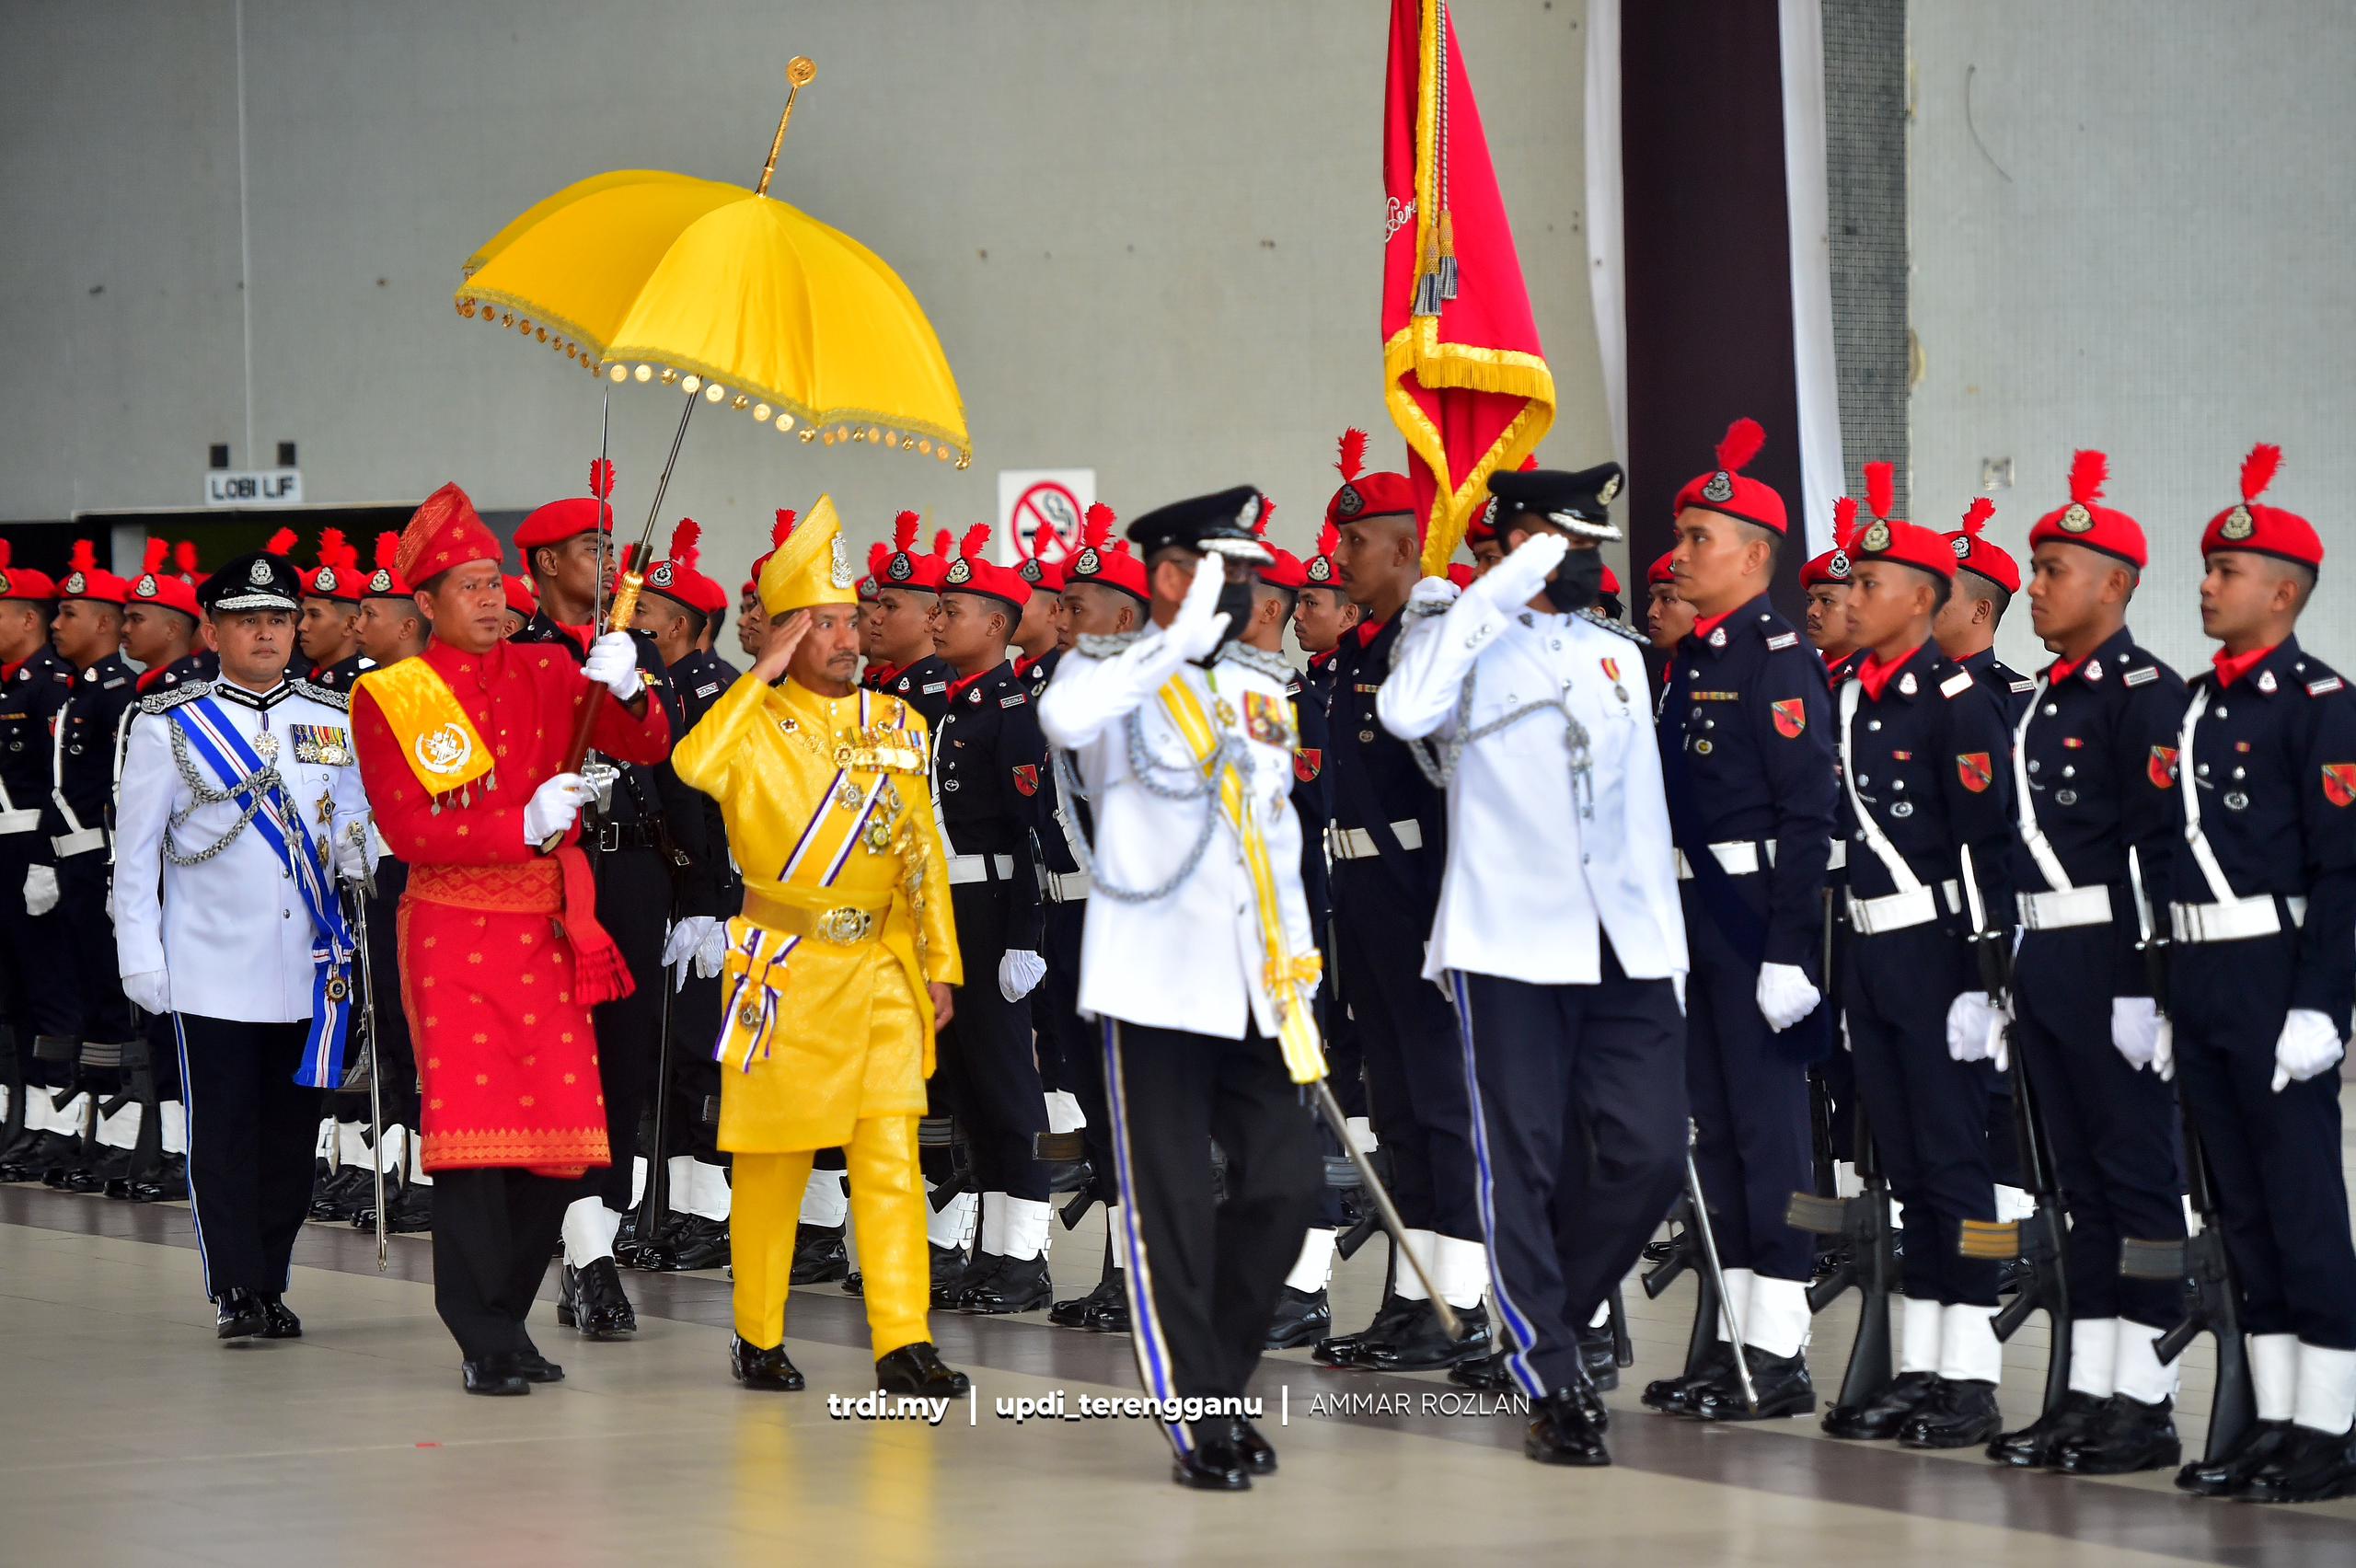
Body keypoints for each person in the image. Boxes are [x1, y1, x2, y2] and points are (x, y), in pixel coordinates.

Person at [1380, 462, 1687, 1466]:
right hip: (1509, 940)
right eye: (1565, 542)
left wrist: (1669, 953)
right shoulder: (1449, 634)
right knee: (1522, 1160)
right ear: (1509, 543)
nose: (1589, 561)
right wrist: (1497, 588)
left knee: (1644, 1154)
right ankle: (1549, 1372)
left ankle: (1541, 1305)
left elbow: (1638, 808)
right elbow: (1406, 710)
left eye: (1593, 544)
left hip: (1626, 942)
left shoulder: (1618, 657)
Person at [350, 482, 670, 1395]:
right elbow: (410, 831)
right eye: (470, 587)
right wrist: (519, 818)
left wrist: (623, 680)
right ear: (426, 603)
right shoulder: (395, 695)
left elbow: (644, 744)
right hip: (452, 931)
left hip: (546, 929)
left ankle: (511, 1313)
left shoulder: (544, 672)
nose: (491, 600)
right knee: (476, 1143)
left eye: (496, 584)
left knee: (556, 1140)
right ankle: (481, 1329)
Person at [1039, 485, 1325, 1490]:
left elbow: (1277, 841)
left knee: (1286, 1187)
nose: (1250, 593)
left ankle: (1221, 1380)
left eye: (1250, 575)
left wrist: (1297, 970)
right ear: (1168, 576)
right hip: (1152, 989)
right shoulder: (1110, 672)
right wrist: (1170, 641)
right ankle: (1199, 1417)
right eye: (1227, 572)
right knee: (1168, 1210)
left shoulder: (1258, 685)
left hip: (1254, 985)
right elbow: (1065, 718)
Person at [668, 495, 970, 1400]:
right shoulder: (748, 722)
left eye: (851, 620)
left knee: (889, 1156)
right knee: (775, 1161)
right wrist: (760, 667)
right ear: (792, 632)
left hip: (879, 969)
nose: (849, 637)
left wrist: (939, 964)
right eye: (827, 624)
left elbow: (921, 852)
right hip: (785, 968)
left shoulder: (898, 727)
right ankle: (758, 1332)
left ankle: (902, 1340)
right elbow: (690, 763)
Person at [1979, 450, 2189, 1475]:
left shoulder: (2144, 696)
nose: (2033, 583)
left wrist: (2145, 987)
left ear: (2115, 583)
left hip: (2112, 960)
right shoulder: (2039, 698)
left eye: (2054, 567)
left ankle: (2145, 1402)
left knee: (2136, 1180)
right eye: (2031, 564)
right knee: (2077, 1189)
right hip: (2046, 959)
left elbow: (2164, 847)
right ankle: (2088, 1392)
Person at [112, 548, 373, 1337]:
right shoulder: (168, 724)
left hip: (310, 969)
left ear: (298, 628)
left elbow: (358, 825)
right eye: (246, 621)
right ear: (214, 631)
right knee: (223, 1137)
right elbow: (134, 854)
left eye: (278, 620)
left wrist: (364, 851)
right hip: (210, 967)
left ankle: (272, 1278)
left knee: (293, 1143)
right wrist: (141, 956)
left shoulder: (334, 718)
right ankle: (235, 1288)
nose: (265, 634)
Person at [2165, 444, 2356, 1505]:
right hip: (2200, 979)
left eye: (2225, 571)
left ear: (2279, 593)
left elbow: (2345, 870)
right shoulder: (2195, 706)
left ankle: (2331, 1423)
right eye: (2205, 566)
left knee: (2300, 1205)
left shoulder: (2320, 705)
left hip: (2276, 975)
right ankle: (2277, 1420)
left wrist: (2323, 1005)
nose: (2205, 583)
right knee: (2239, 1208)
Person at [1643, 420, 1836, 1423]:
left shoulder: (1774, 659)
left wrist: (1787, 950)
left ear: (1755, 558)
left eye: (1698, 540)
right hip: (1693, 922)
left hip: (1751, 923)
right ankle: (1728, 1341)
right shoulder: (1692, 664)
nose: (1677, 557)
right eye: (1680, 537)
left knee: (1768, 1141)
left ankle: (1779, 1349)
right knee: (1713, 1136)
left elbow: (1808, 816)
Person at [1824, 468, 2016, 1449]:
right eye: (1850, 582)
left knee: (1959, 1171)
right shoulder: (1858, 697)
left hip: (1942, 959)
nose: (1850, 597)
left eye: (1869, 583)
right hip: (1872, 956)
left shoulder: (1955, 702)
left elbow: (1989, 845)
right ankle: (1919, 1363)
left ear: (1924, 600)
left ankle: (1972, 1371)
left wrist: (1987, 984)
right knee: (1899, 1164)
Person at [1314, 429, 1490, 1371]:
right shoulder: (1358, 653)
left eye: (1354, 544)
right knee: (1396, 1109)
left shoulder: (1430, 644)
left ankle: (1459, 1300)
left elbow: (1461, 789)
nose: (1338, 559)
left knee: (1441, 1106)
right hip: (1369, 898)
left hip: (1426, 896)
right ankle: (1414, 1296)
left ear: (1402, 547)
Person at [509, 466, 683, 1334]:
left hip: (634, 877)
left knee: (623, 1064)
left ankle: (596, 1238)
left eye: (613, 547)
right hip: (555, 874)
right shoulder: (518, 652)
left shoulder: (636, 649)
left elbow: (673, 769)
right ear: (542, 565)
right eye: (589, 549)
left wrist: (700, 894)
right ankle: (586, 1256)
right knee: (559, 1063)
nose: (607, 562)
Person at [927, 525, 1054, 1312]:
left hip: (995, 907)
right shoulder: (956, 707)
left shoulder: (1011, 712)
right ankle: (992, 1251)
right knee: (971, 1088)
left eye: (954, 611)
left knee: (1009, 1089)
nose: (938, 622)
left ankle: (1025, 1255)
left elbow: (1034, 832)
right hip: (952, 908)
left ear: (998, 629)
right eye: (936, 609)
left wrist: (1024, 937)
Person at [1040, 506, 1150, 1332]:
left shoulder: (1149, 699)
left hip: (1133, 929)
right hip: (1071, 924)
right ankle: (1119, 1268)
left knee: (1135, 1105)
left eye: (1076, 606)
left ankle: (1146, 1270)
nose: (1060, 617)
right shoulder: (1065, 697)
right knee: (1097, 1100)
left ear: (1123, 619)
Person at [625, 522, 745, 1281]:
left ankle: (709, 1211)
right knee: (662, 1059)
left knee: (703, 1057)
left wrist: (711, 899)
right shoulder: (655, 689)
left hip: (715, 899)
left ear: (684, 626)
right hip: (668, 892)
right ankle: (663, 1206)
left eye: (649, 610)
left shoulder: (714, 691)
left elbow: (722, 807)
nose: (635, 620)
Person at [1236, 510, 1338, 1347]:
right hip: (1241, 929)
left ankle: (1303, 1281)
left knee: (1297, 1108)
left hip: (1295, 928)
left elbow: (1285, 822)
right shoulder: (1232, 692)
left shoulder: (1283, 699)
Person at [37, 541, 138, 1192]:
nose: (56, 623)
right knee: (68, 995)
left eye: (69, 612)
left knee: (111, 1003)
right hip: (66, 865)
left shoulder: (117, 694)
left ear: (102, 622)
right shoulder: (82, 691)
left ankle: (125, 1133)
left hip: (98, 863)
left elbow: (120, 792)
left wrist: (109, 875)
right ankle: (85, 1126)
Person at [349, 535, 431, 1236]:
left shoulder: (433, 693)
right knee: (390, 1030)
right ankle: (397, 1169)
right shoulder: (362, 688)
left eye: (369, 613)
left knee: (425, 1024)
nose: (355, 624)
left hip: (423, 869)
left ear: (407, 624)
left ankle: (437, 1173)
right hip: (374, 871)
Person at [0, 548, 77, 1182]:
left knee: (50, 989)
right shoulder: (9, 686)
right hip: (5, 852)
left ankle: (59, 1118)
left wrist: (47, 857)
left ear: (28, 618)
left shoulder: (51, 686)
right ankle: (20, 1118)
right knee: (13, 995)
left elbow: (62, 785)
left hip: (36, 852)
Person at [870, 515, 957, 724]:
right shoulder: (881, 686)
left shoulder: (945, 699)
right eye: (879, 605)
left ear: (932, 617)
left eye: (891, 607)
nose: (875, 617)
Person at [297, 529, 372, 694]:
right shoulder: (303, 679)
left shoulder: (369, 686)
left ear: (350, 624)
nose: (302, 626)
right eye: (304, 615)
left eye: (314, 615)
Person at [1800, 511, 1861, 686]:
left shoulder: (1876, 678)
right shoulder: (1801, 672)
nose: (1812, 612)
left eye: (1826, 601)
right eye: (1810, 601)